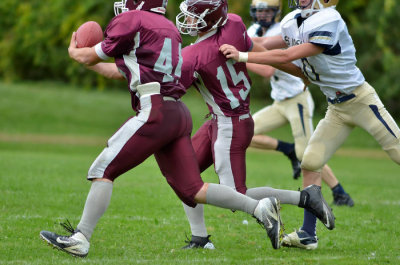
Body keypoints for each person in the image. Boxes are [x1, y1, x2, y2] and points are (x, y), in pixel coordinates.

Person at [38, 0, 286, 257]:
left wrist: (75, 51)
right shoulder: (168, 28)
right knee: (193, 189)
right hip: (177, 113)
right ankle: (260, 209)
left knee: (103, 169)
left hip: (153, 109)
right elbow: (124, 69)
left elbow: (90, 55)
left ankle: (81, 237)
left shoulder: (132, 20)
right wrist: (89, 60)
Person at [220, 0, 400, 250]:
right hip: (336, 107)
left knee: (397, 151)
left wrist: (241, 56)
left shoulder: (329, 19)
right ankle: (308, 234)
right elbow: (263, 44)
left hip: (360, 100)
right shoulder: (293, 21)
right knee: (311, 162)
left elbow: (286, 55)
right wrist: (224, 35)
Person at [175, 0, 334, 250]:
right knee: (183, 174)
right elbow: (263, 54)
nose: (189, 22)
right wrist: (298, 72)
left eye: (194, 17)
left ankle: (305, 197)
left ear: (210, 17)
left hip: (230, 124)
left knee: (234, 196)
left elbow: (164, 84)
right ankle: (199, 238)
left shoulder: (192, 56)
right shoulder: (234, 25)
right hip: (226, 120)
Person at [246, 0, 354, 207]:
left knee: (305, 153)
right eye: (259, 11)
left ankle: (340, 192)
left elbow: (268, 69)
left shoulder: (284, 29)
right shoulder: (254, 30)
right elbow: (251, 43)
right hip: (279, 102)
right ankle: (287, 149)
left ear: (277, 12)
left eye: (267, 11)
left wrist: (242, 57)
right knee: (245, 132)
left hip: (297, 100)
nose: (262, 15)